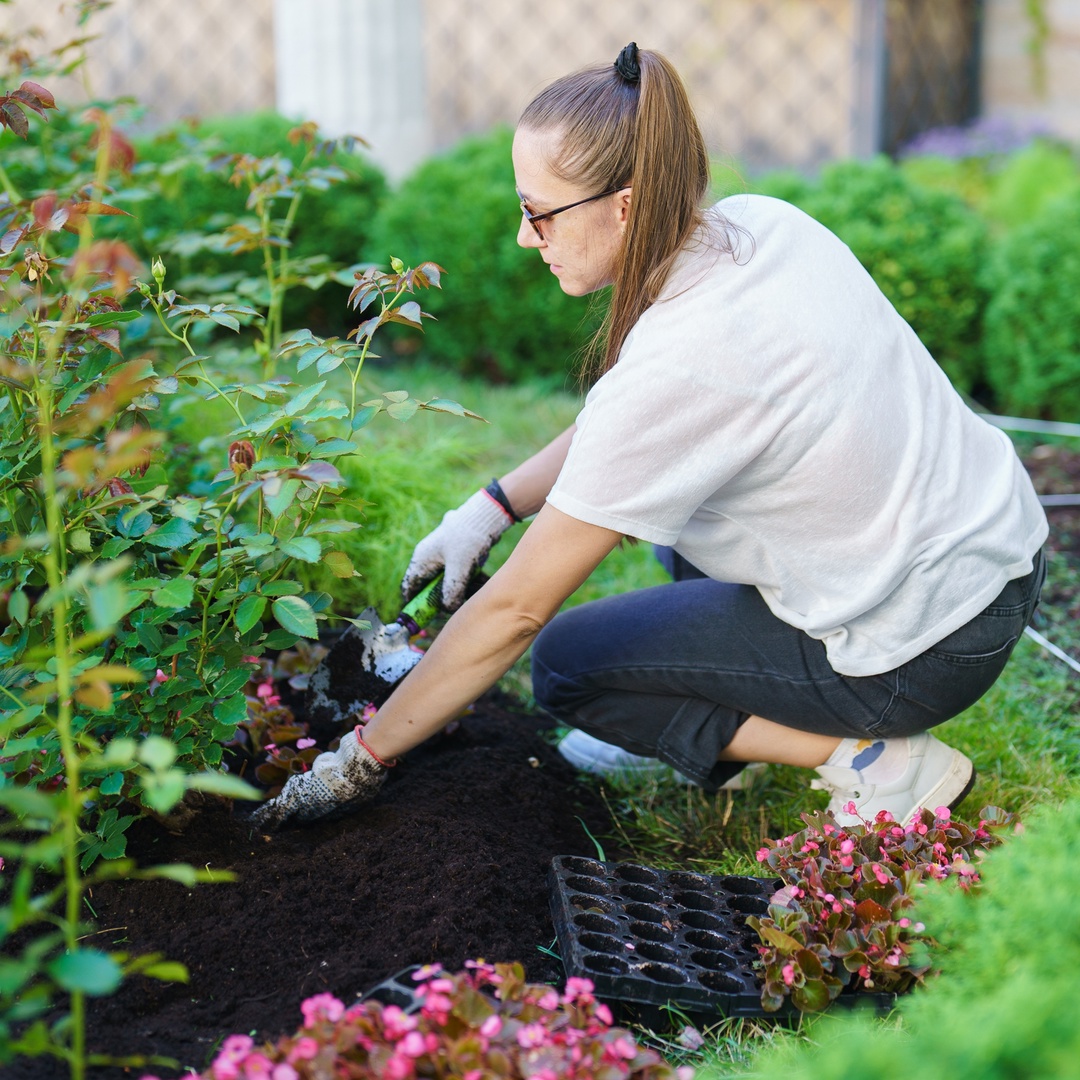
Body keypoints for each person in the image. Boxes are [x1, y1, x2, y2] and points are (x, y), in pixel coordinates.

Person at [252, 43, 1048, 831]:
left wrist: (362, 757)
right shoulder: (758, 226)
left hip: (920, 654)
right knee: (678, 544)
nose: (527, 238)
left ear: (624, 204)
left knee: (568, 667)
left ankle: (873, 759)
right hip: (991, 558)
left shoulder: (686, 363)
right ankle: (714, 729)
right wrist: (491, 508)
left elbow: (516, 612)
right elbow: (623, 428)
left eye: (538, 213)